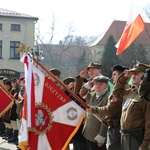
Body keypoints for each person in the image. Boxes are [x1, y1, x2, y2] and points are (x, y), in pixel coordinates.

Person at [87, 65, 129, 150]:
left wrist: (94, 109)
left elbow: (109, 111)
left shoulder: (122, 91)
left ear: (121, 76)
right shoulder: (118, 90)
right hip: (114, 129)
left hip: (117, 130)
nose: (112, 77)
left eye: (114, 74)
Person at [112, 62, 150, 150]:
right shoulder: (131, 91)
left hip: (137, 138)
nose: (133, 76)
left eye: (136, 74)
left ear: (145, 76)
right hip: (125, 136)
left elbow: (149, 123)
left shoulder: (146, 96)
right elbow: (116, 93)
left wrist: (145, 145)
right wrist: (124, 77)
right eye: (133, 74)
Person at [82, 76, 110, 150]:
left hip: (97, 135)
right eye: (96, 84)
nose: (98, 86)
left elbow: (106, 118)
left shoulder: (107, 97)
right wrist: (87, 86)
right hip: (88, 133)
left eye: (100, 84)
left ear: (106, 85)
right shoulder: (93, 94)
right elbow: (82, 94)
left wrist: (101, 135)